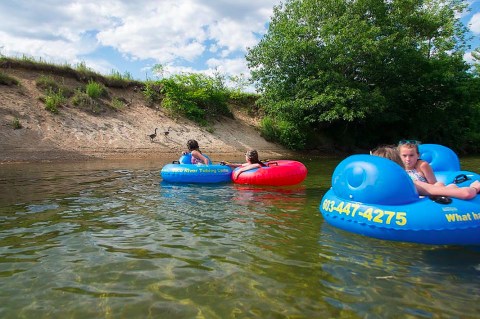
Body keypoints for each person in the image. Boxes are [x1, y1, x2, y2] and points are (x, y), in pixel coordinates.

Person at [371, 145, 480, 200]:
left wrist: (474, 187)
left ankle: (451, 187)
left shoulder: (411, 184)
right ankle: (450, 187)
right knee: (440, 187)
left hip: (426, 198)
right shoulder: (371, 186)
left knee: (440, 186)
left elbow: (466, 193)